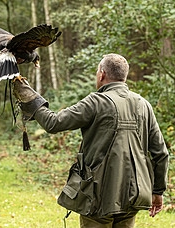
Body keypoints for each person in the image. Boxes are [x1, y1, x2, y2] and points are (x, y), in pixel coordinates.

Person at [13, 53, 169, 228]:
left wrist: (27, 94)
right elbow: (161, 154)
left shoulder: (96, 102)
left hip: (98, 197)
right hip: (134, 196)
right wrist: (158, 191)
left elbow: (53, 123)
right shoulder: (144, 105)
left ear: (101, 74)